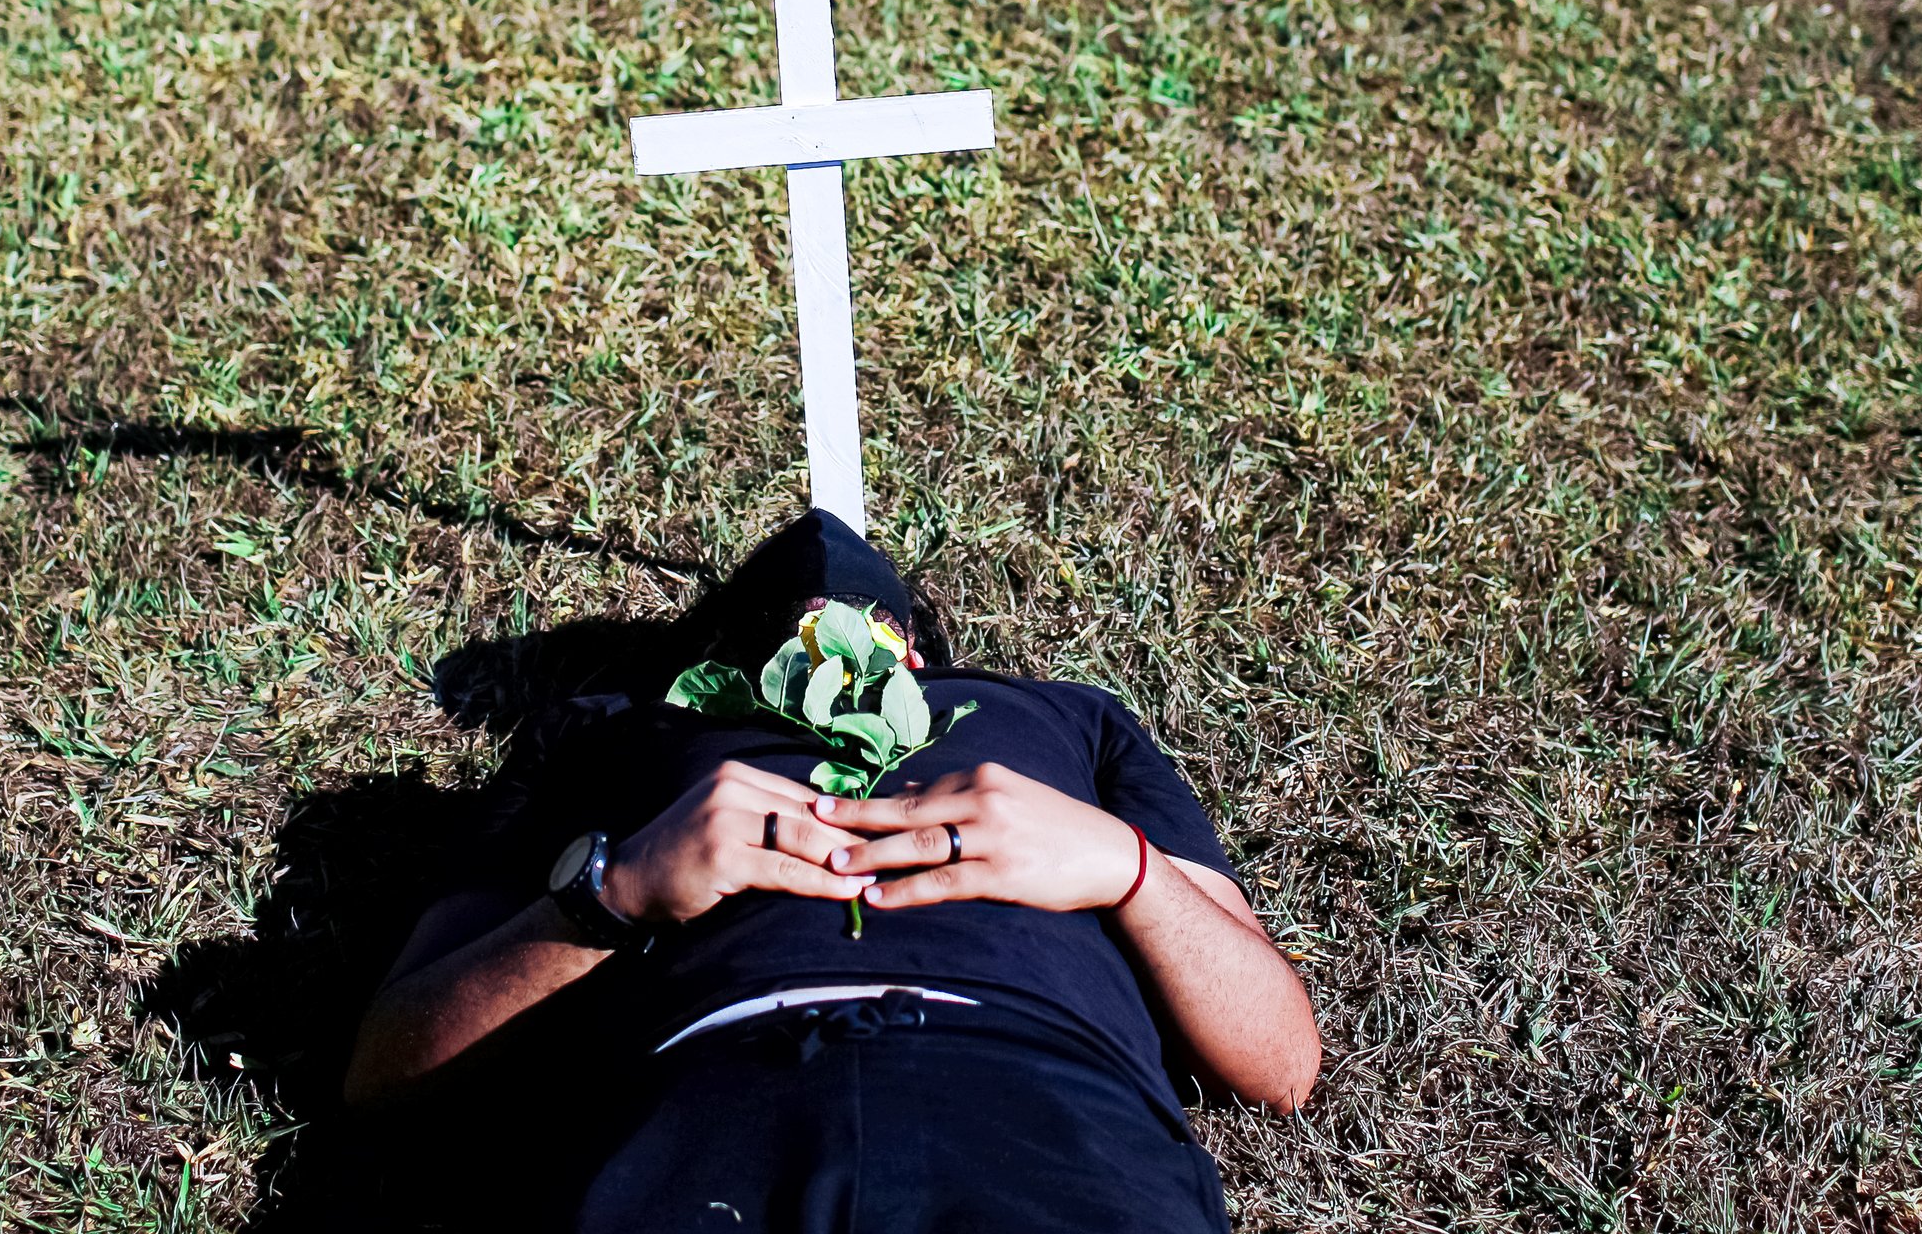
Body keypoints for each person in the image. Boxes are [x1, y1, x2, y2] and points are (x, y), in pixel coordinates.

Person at [346, 510, 1319, 1232]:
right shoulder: (610, 730)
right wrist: (616, 892)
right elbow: (387, 1068)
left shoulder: (1064, 716)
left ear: (926, 654)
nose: (823, 581)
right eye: (776, 612)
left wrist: (1125, 866)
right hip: (698, 1096)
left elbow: (1278, 1064)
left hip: (1039, 1095)